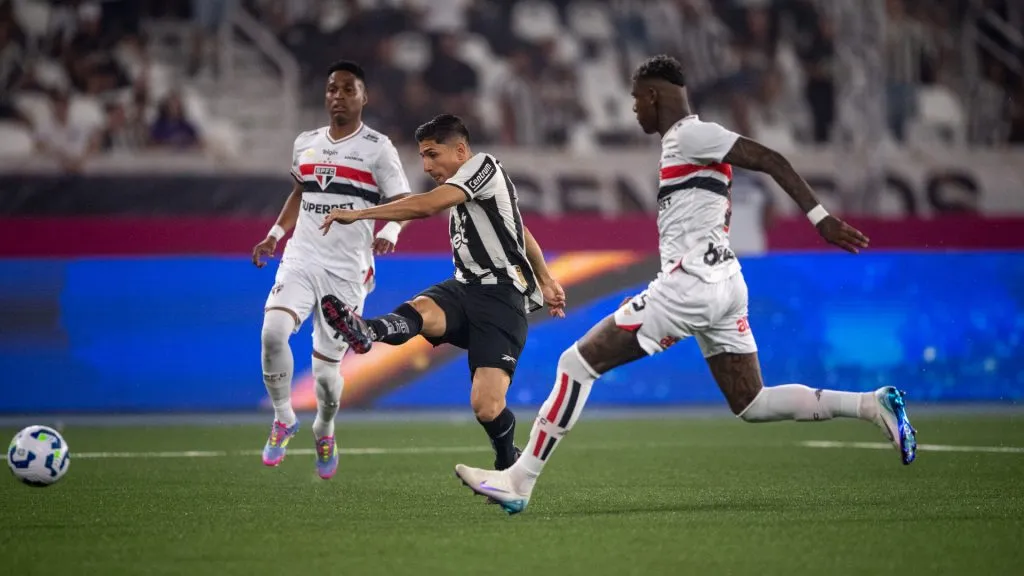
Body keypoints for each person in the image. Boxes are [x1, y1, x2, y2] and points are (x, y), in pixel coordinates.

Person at [453, 55, 918, 515]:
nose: (634, 110)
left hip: (691, 285)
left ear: (655, 96)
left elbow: (770, 158)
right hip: (726, 282)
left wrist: (821, 219)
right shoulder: (683, 146)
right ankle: (871, 405)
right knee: (751, 402)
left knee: (576, 364)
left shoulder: (691, 134)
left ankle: (520, 480)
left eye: (637, 100)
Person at [318, 114, 566, 472]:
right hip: (464, 288)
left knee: (486, 407)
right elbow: (519, 229)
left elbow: (426, 205)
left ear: (461, 150)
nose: (427, 165)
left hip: (501, 300)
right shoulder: (468, 194)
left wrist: (359, 214)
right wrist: (546, 277)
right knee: (421, 310)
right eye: (422, 156)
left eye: (432, 154)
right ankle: (366, 331)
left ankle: (507, 457)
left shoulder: (483, 166)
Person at [251, 60, 412, 479]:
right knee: (272, 332)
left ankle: (324, 427)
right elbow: (300, 194)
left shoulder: (378, 147)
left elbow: (404, 202)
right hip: (302, 257)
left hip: (347, 271)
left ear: (363, 97)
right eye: (331, 90)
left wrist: (391, 229)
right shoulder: (306, 142)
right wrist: (273, 234)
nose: (337, 96)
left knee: (325, 377)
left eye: (347, 89)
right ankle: (284, 416)